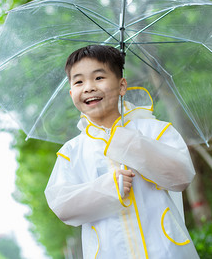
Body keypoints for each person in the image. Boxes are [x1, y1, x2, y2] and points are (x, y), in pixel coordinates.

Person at [45, 45, 199, 258]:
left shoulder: (155, 130)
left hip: (164, 249)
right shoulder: (71, 152)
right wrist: (109, 187)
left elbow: (181, 176)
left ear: (122, 86)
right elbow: (62, 205)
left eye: (99, 78)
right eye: (79, 81)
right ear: (72, 93)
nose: (89, 87)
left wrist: (128, 143)